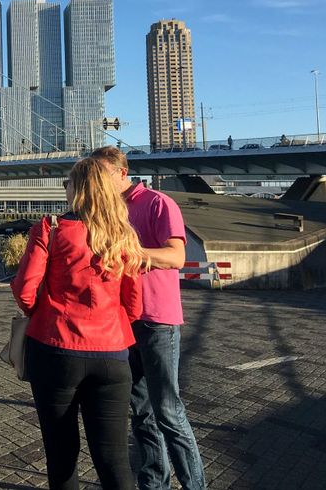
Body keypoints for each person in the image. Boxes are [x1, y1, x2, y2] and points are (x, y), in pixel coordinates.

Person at [11, 158, 145, 489]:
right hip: (113, 354)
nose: (65, 188)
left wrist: (43, 314)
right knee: (114, 459)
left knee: (61, 457)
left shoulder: (51, 228)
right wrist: (109, 324)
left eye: (67, 182)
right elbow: (134, 305)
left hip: (55, 349)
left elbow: (25, 290)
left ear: (79, 189)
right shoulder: (122, 235)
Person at [91, 146, 207, 490]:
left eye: (102, 175)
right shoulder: (109, 211)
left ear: (121, 173)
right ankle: (154, 483)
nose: (97, 183)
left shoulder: (157, 203)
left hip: (157, 319)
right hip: (123, 321)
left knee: (168, 411)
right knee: (141, 412)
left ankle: (194, 484)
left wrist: (130, 252)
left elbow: (176, 256)